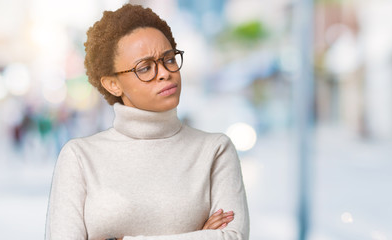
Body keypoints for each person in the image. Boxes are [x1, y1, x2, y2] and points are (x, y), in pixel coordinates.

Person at [45, 4, 249, 240]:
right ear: (113, 83)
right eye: (145, 67)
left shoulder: (215, 150)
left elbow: (232, 237)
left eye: (169, 59)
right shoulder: (79, 157)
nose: (165, 73)